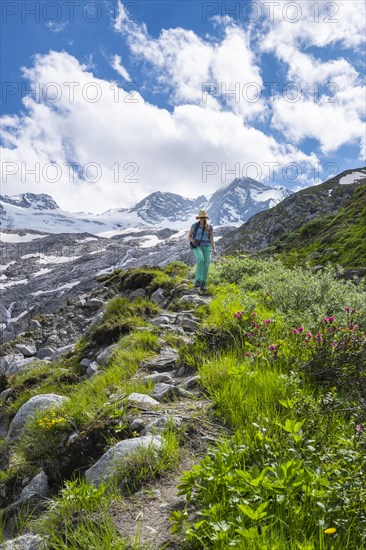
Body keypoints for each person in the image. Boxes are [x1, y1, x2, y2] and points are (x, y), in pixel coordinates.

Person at [188, 210, 217, 292]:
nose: (202, 219)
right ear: (199, 218)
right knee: (200, 259)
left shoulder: (210, 227)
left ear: (205, 218)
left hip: (207, 247)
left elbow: (211, 239)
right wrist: (192, 239)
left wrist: (214, 248)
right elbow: (189, 236)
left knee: (206, 265)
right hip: (197, 245)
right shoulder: (194, 226)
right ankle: (198, 280)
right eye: (201, 217)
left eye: (204, 217)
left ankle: (203, 284)